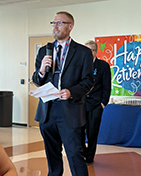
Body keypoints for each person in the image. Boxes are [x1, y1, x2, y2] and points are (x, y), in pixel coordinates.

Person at [32, 11, 94, 176]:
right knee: (52, 156)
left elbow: (88, 81)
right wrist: (41, 70)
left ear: (70, 26)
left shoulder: (82, 52)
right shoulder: (44, 51)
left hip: (70, 110)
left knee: (74, 155)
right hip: (47, 111)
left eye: (60, 23)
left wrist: (71, 92)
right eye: (53, 23)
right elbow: (37, 79)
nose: (55, 26)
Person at [84, 40, 111, 165]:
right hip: (81, 104)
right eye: (86, 50)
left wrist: (103, 103)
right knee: (78, 131)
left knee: (92, 132)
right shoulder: (81, 65)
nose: (88, 53)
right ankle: (81, 154)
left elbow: (107, 86)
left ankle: (89, 158)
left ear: (96, 51)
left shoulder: (103, 66)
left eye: (91, 51)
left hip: (95, 104)